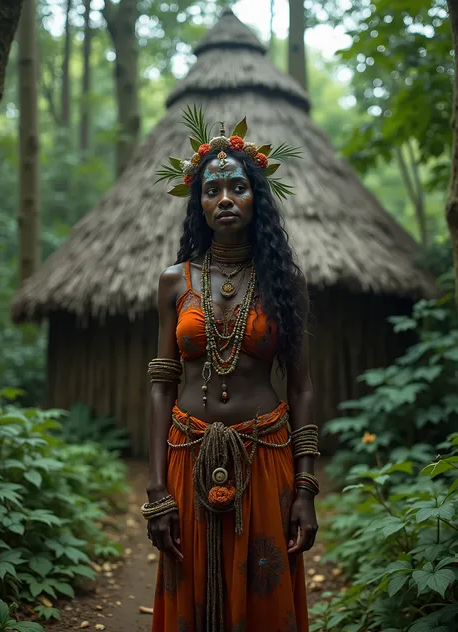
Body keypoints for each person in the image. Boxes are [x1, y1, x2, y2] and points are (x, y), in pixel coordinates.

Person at [144, 109, 320, 632]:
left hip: (265, 456)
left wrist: (306, 488)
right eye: (212, 189)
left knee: (264, 590)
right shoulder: (174, 282)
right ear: (197, 203)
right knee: (190, 581)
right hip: (186, 451)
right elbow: (161, 384)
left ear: (255, 199)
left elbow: (303, 385)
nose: (224, 198)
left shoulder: (285, 282)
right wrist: (156, 490)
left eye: (238, 187)